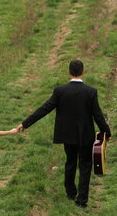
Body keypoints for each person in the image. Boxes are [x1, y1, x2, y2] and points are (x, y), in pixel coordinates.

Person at [17, 59, 111, 208]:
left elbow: (45, 108)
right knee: (85, 166)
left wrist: (25, 123)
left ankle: (70, 192)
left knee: (70, 162)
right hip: (86, 135)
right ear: (83, 71)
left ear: (69, 72)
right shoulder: (91, 92)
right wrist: (106, 131)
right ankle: (82, 201)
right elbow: (97, 115)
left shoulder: (60, 91)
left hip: (67, 135)